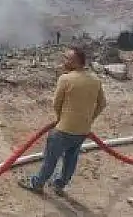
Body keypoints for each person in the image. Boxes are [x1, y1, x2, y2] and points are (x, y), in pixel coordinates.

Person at [19, 46, 106, 195]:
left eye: (67, 58)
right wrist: (89, 120)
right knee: (71, 159)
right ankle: (60, 185)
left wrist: (61, 119)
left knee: (50, 158)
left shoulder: (65, 79)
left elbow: (56, 103)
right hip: (83, 130)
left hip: (64, 129)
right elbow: (102, 104)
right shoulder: (95, 80)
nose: (64, 61)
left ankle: (37, 183)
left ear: (76, 62)